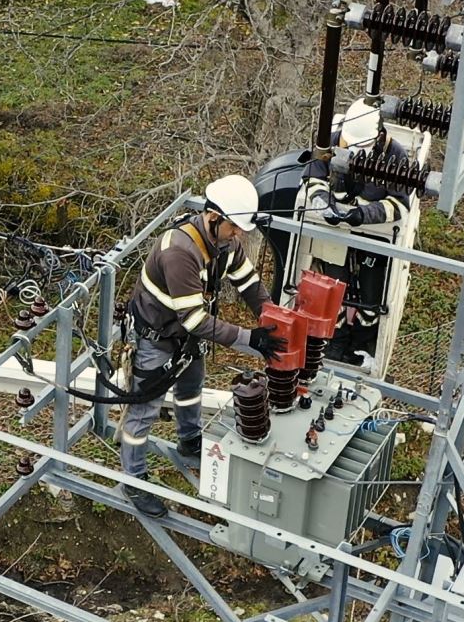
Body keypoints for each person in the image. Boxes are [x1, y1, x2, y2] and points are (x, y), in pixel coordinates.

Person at [120, 174, 285, 517]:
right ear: (213, 217)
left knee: (191, 386)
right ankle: (133, 482)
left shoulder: (226, 246)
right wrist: (249, 339)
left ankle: (190, 439)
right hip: (157, 338)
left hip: (185, 336)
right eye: (234, 227)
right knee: (144, 411)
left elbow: (250, 286)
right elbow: (193, 319)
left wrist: (272, 320)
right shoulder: (180, 252)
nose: (239, 234)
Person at [297, 98, 411, 365]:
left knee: (371, 294)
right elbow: (314, 176)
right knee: (335, 287)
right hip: (336, 233)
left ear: (377, 136)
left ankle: (361, 343)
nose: (350, 151)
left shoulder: (395, 157)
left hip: (373, 235)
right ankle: (334, 343)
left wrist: (362, 215)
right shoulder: (335, 140)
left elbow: (398, 205)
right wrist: (322, 203)